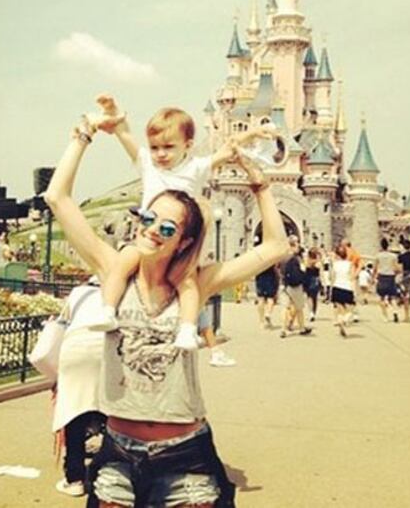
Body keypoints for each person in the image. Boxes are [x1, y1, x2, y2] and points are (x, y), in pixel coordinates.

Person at [44, 114, 291, 507]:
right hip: (118, 456)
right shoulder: (115, 272)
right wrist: (85, 132)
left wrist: (260, 185)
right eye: (147, 218)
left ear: (184, 241)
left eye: (166, 227)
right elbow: (57, 198)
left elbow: (277, 247)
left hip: (185, 457)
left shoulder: (198, 283)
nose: (150, 229)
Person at [89, 96, 273, 351]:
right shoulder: (148, 167)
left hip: (179, 241)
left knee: (187, 283)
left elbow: (227, 149)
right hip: (149, 238)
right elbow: (125, 136)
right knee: (124, 262)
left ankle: (187, 329)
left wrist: (251, 132)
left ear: (187, 146)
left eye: (168, 147)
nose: (160, 154)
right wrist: (114, 113)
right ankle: (108, 310)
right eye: (154, 148)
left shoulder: (196, 167)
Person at [53, 278, 107, 497]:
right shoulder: (125, 291)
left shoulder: (78, 293)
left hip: (76, 350)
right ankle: (110, 471)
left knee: (73, 411)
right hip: (108, 349)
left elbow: (61, 323)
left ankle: (74, 478)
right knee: (112, 411)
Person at [279, 239, 311, 338]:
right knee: (299, 308)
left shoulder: (283, 257)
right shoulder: (295, 259)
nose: (298, 248)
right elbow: (302, 271)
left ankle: (283, 329)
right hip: (295, 286)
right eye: (297, 246)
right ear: (292, 246)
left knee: (285, 308)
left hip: (284, 284)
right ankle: (301, 328)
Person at [331, 243, 356, 337]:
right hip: (347, 288)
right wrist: (354, 291)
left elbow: (333, 277)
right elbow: (352, 277)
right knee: (350, 310)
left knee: (340, 309)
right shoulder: (350, 264)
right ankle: (344, 320)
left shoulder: (335, 265)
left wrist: (331, 289)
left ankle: (340, 322)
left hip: (337, 287)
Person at [373, 238, 400, 324]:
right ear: (388, 245)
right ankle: (395, 312)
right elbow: (396, 268)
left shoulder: (378, 256)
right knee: (393, 297)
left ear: (381, 245)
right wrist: (395, 273)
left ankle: (385, 317)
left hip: (382, 277)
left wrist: (373, 277)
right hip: (391, 277)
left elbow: (375, 268)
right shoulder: (393, 256)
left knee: (381, 298)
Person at [254, 260, 280, 329]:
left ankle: (261, 322)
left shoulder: (259, 255)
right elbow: (276, 265)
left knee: (260, 298)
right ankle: (268, 313)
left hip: (260, 276)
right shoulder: (272, 254)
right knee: (270, 298)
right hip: (270, 276)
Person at [304, 248, 322, 322]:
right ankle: (313, 312)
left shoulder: (307, 261)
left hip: (308, 279)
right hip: (315, 279)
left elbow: (304, 268)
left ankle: (311, 312)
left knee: (309, 296)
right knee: (315, 297)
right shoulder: (318, 262)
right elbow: (320, 269)